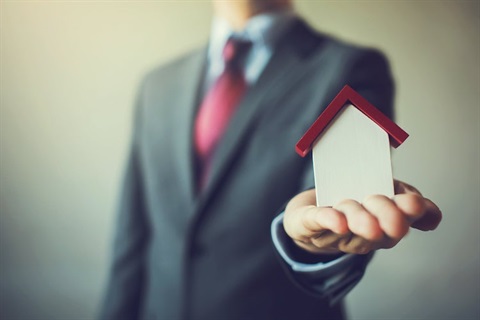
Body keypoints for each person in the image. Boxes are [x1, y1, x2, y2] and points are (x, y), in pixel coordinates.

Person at [100, 1, 442, 319]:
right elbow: (130, 240)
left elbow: (334, 197)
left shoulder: (351, 67)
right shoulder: (157, 84)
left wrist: (316, 239)